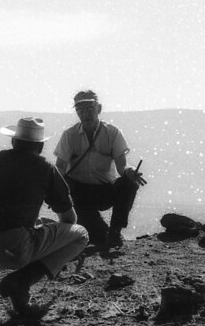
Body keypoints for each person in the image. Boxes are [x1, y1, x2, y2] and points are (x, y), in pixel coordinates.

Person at [0, 117, 89, 316]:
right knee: (80, 235)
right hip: (10, 248)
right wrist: (55, 249)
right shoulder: (45, 168)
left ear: (13, 141)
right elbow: (69, 220)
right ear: (40, 146)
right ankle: (21, 282)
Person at [53, 89, 147, 250]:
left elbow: (122, 166)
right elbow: (60, 167)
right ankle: (102, 233)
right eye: (80, 110)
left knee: (129, 183)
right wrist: (53, 189)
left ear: (99, 108)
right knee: (99, 238)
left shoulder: (113, 132)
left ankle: (116, 230)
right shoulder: (69, 135)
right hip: (79, 196)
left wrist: (130, 171)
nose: (85, 114)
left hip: (104, 190)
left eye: (89, 109)